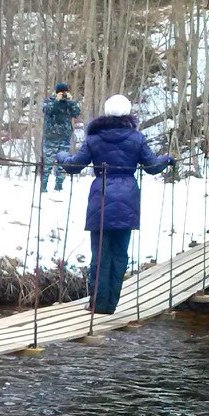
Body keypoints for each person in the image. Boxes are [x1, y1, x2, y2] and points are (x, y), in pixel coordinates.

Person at [58, 94, 174, 314]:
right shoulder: (136, 138)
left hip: (100, 196)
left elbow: (73, 166)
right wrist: (166, 159)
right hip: (128, 198)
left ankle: (97, 304)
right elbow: (151, 167)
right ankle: (111, 305)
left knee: (100, 253)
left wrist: (62, 155)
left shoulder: (94, 138)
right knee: (120, 253)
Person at [41, 82, 81, 193]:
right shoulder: (49, 101)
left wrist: (71, 101)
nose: (63, 94)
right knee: (47, 163)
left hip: (65, 137)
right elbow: (46, 110)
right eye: (61, 93)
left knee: (62, 163)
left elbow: (77, 112)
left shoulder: (69, 103)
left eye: (65, 92)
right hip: (51, 137)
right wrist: (57, 101)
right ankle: (43, 186)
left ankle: (59, 186)